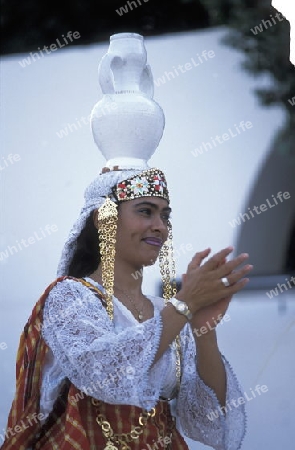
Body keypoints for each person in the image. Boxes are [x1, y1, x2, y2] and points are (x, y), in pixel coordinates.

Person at [1, 33, 252, 450]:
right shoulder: (69, 299)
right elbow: (104, 373)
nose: (160, 226)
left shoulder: (162, 311)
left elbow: (205, 421)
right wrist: (184, 306)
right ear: (105, 219)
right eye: (146, 211)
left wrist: (203, 328)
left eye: (165, 214)